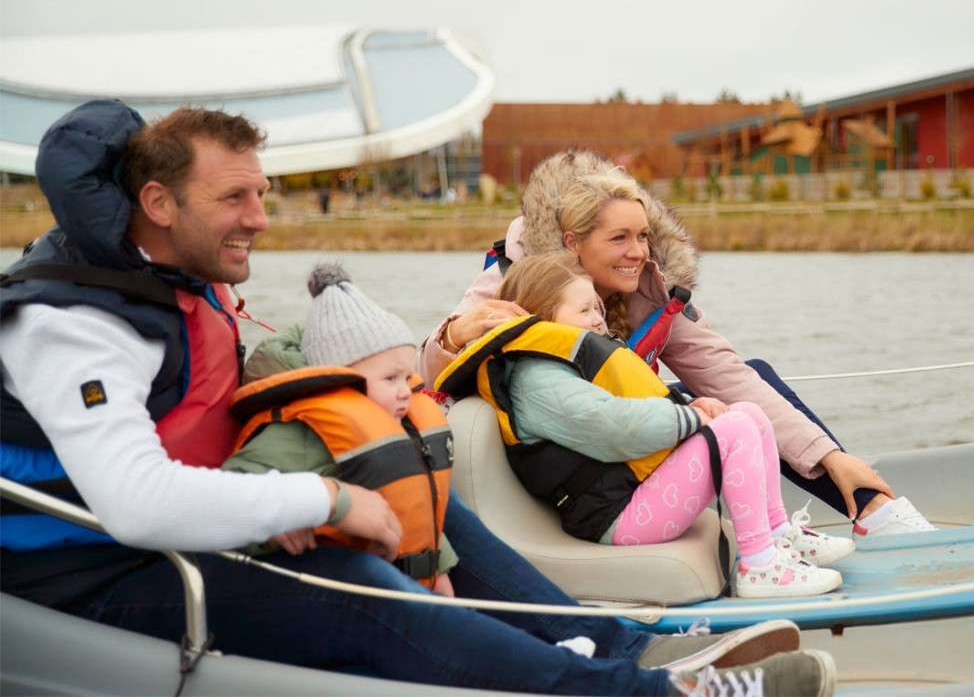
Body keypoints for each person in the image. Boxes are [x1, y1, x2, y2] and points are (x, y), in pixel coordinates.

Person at [0, 101, 832, 696]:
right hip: (89, 565)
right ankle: (642, 694)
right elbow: (136, 502)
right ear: (156, 203)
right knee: (355, 580)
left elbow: (223, 398)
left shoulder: (169, 273)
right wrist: (322, 497)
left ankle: (630, 646)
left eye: (261, 192)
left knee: (417, 479)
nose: (260, 217)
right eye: (235, 199)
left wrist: (356, 423)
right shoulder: (74, 326)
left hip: (194, 518)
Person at [421, 150, 934, 538]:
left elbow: (725, 372)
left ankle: (862, 505)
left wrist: (828, 455)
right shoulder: (518, 275)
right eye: (619, 238)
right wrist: (454, 334)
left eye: (642, 236)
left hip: (623, 439)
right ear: (574, 242)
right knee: (720, 412)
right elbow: (432, 364)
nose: (637, 252)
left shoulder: (649, 289)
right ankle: (774, 541)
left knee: (748, 378)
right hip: (570, 457)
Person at [439, 249, 851, 598]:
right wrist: (691, 417)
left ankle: (778, 537)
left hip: (630, 493)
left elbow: (639, 403)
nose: (597, 321)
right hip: (615, 519)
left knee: (748, 414)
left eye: (597, 309)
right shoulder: (536, 379)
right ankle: (758, 566)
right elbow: (614, 429)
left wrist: (694, 403)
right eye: (584, 310)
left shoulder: (564, 361)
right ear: (541, 317)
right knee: (733, 430)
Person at [222, 263, 460, 597]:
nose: (406, 390)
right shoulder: (299, 434)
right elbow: (232, 492)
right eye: (390, 379)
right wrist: (280, 519)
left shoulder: (393, 426)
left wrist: (439, 568)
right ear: (341, 381)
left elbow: (420, 504)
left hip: (404, 581)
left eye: (407, 377)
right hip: (335, 588)